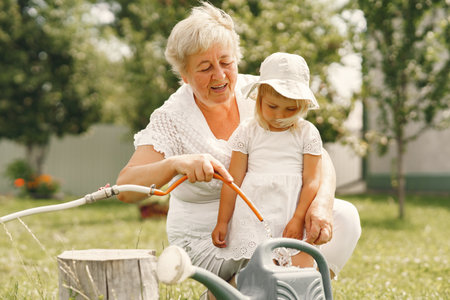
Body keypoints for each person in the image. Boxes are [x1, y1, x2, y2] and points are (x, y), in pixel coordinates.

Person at [116, 0, 360, 289]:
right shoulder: (172, 117)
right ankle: (247, 287)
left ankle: (272, 290)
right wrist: (176, 164)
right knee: (271, 261)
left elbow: (318, 156)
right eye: (205, 68)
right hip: (211, 237)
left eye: (226, 62)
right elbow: (125, 189)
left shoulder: (262, 93)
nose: (219, 76)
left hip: (270, 216)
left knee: (344, 216)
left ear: (237, 59)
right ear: (184, 76)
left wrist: (320, 203)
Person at [211, 52, 323, 269]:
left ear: (301, 106)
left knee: (300, 267)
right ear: (260, 98)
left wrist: (299, 217)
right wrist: (223, 221)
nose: (280, 115)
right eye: (272, 106)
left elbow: (311, 180)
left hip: (290, 210)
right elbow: (233, 180)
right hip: (255, 213)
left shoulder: (306, 133)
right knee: (261, 269)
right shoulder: (248, 131)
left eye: (290, 109)